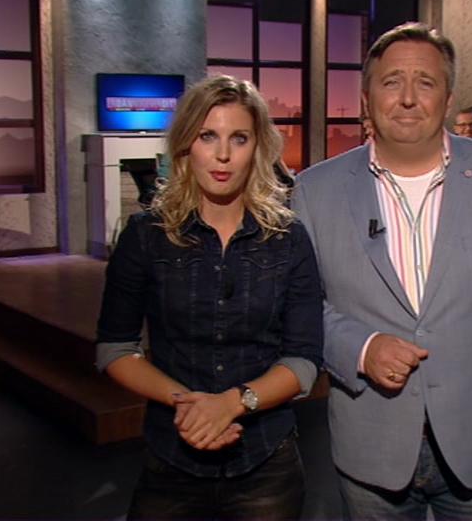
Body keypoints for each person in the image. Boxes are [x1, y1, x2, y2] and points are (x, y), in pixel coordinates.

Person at [293, 22, 472, 520]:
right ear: (366, 98)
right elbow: (299, 306)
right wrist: (360, 347)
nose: (407, 98)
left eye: (425, 82)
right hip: (371, 443)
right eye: (391, 81)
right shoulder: (315, 190)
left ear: (448, 98)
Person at [97, 75, 324, 520]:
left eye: (239, 138)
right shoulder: (145, 235)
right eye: (207, 136)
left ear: (257, 148)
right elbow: (115, 349)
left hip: (266, 466)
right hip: (171, 461)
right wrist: (193, 408)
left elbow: (304, 360)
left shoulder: (288, 237)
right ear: (186, 144)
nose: (223, 155)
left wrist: (231, 404)